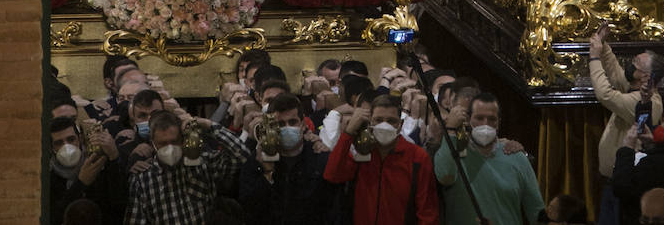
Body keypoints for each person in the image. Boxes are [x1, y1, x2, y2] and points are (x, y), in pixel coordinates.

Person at [588, 22, 664, 225]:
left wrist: (594, 57)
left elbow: (605, 94)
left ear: (645, 76)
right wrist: (602, 44)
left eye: (635, 64)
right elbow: (615, 71)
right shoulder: (634, 89)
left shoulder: (645, 101)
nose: (631, 65)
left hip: (625, 183)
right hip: (613, 182)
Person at [322, 94, 438, 225]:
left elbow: (427, 211)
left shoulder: (418, 157)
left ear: (400, 124)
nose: (384, 125)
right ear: (370, 122)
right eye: (378, 120)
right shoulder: (360, 151)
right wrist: (348, 132)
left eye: (391, 121)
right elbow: (332, 175)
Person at [435, 91, 545, 225]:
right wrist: (451, 130)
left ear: (498, 122)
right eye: (479, 118)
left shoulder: (516, 157)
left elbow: (536, 209)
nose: (485, 124)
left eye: (491, 119)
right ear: (469, 120)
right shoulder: (455, 152)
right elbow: (445, 176)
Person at [126, 108, 249, 225]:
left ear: (182, 140)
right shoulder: (142, 181)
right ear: (153, 144)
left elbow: (242, 156)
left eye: (174, 142)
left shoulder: (203, 163)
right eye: (163, 144)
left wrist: (208, 125)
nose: (169, 148)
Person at [236, 92, 337, 225]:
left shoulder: (320, 159)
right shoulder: (256, 161)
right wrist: (267, 175)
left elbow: (332, 210)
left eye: (292, 122)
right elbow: (249, 207)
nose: (287, 127)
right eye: (280, 124)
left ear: (302, 124)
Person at [49, 116, 127, 225]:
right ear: (52, 148)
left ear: (80, 139)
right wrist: (81, 183)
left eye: (71, 139)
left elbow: (119, 206)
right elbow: (53, 217)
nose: (66, 146)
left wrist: (114, 156)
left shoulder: (97, 164)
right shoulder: (48, 178)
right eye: (59, 143)